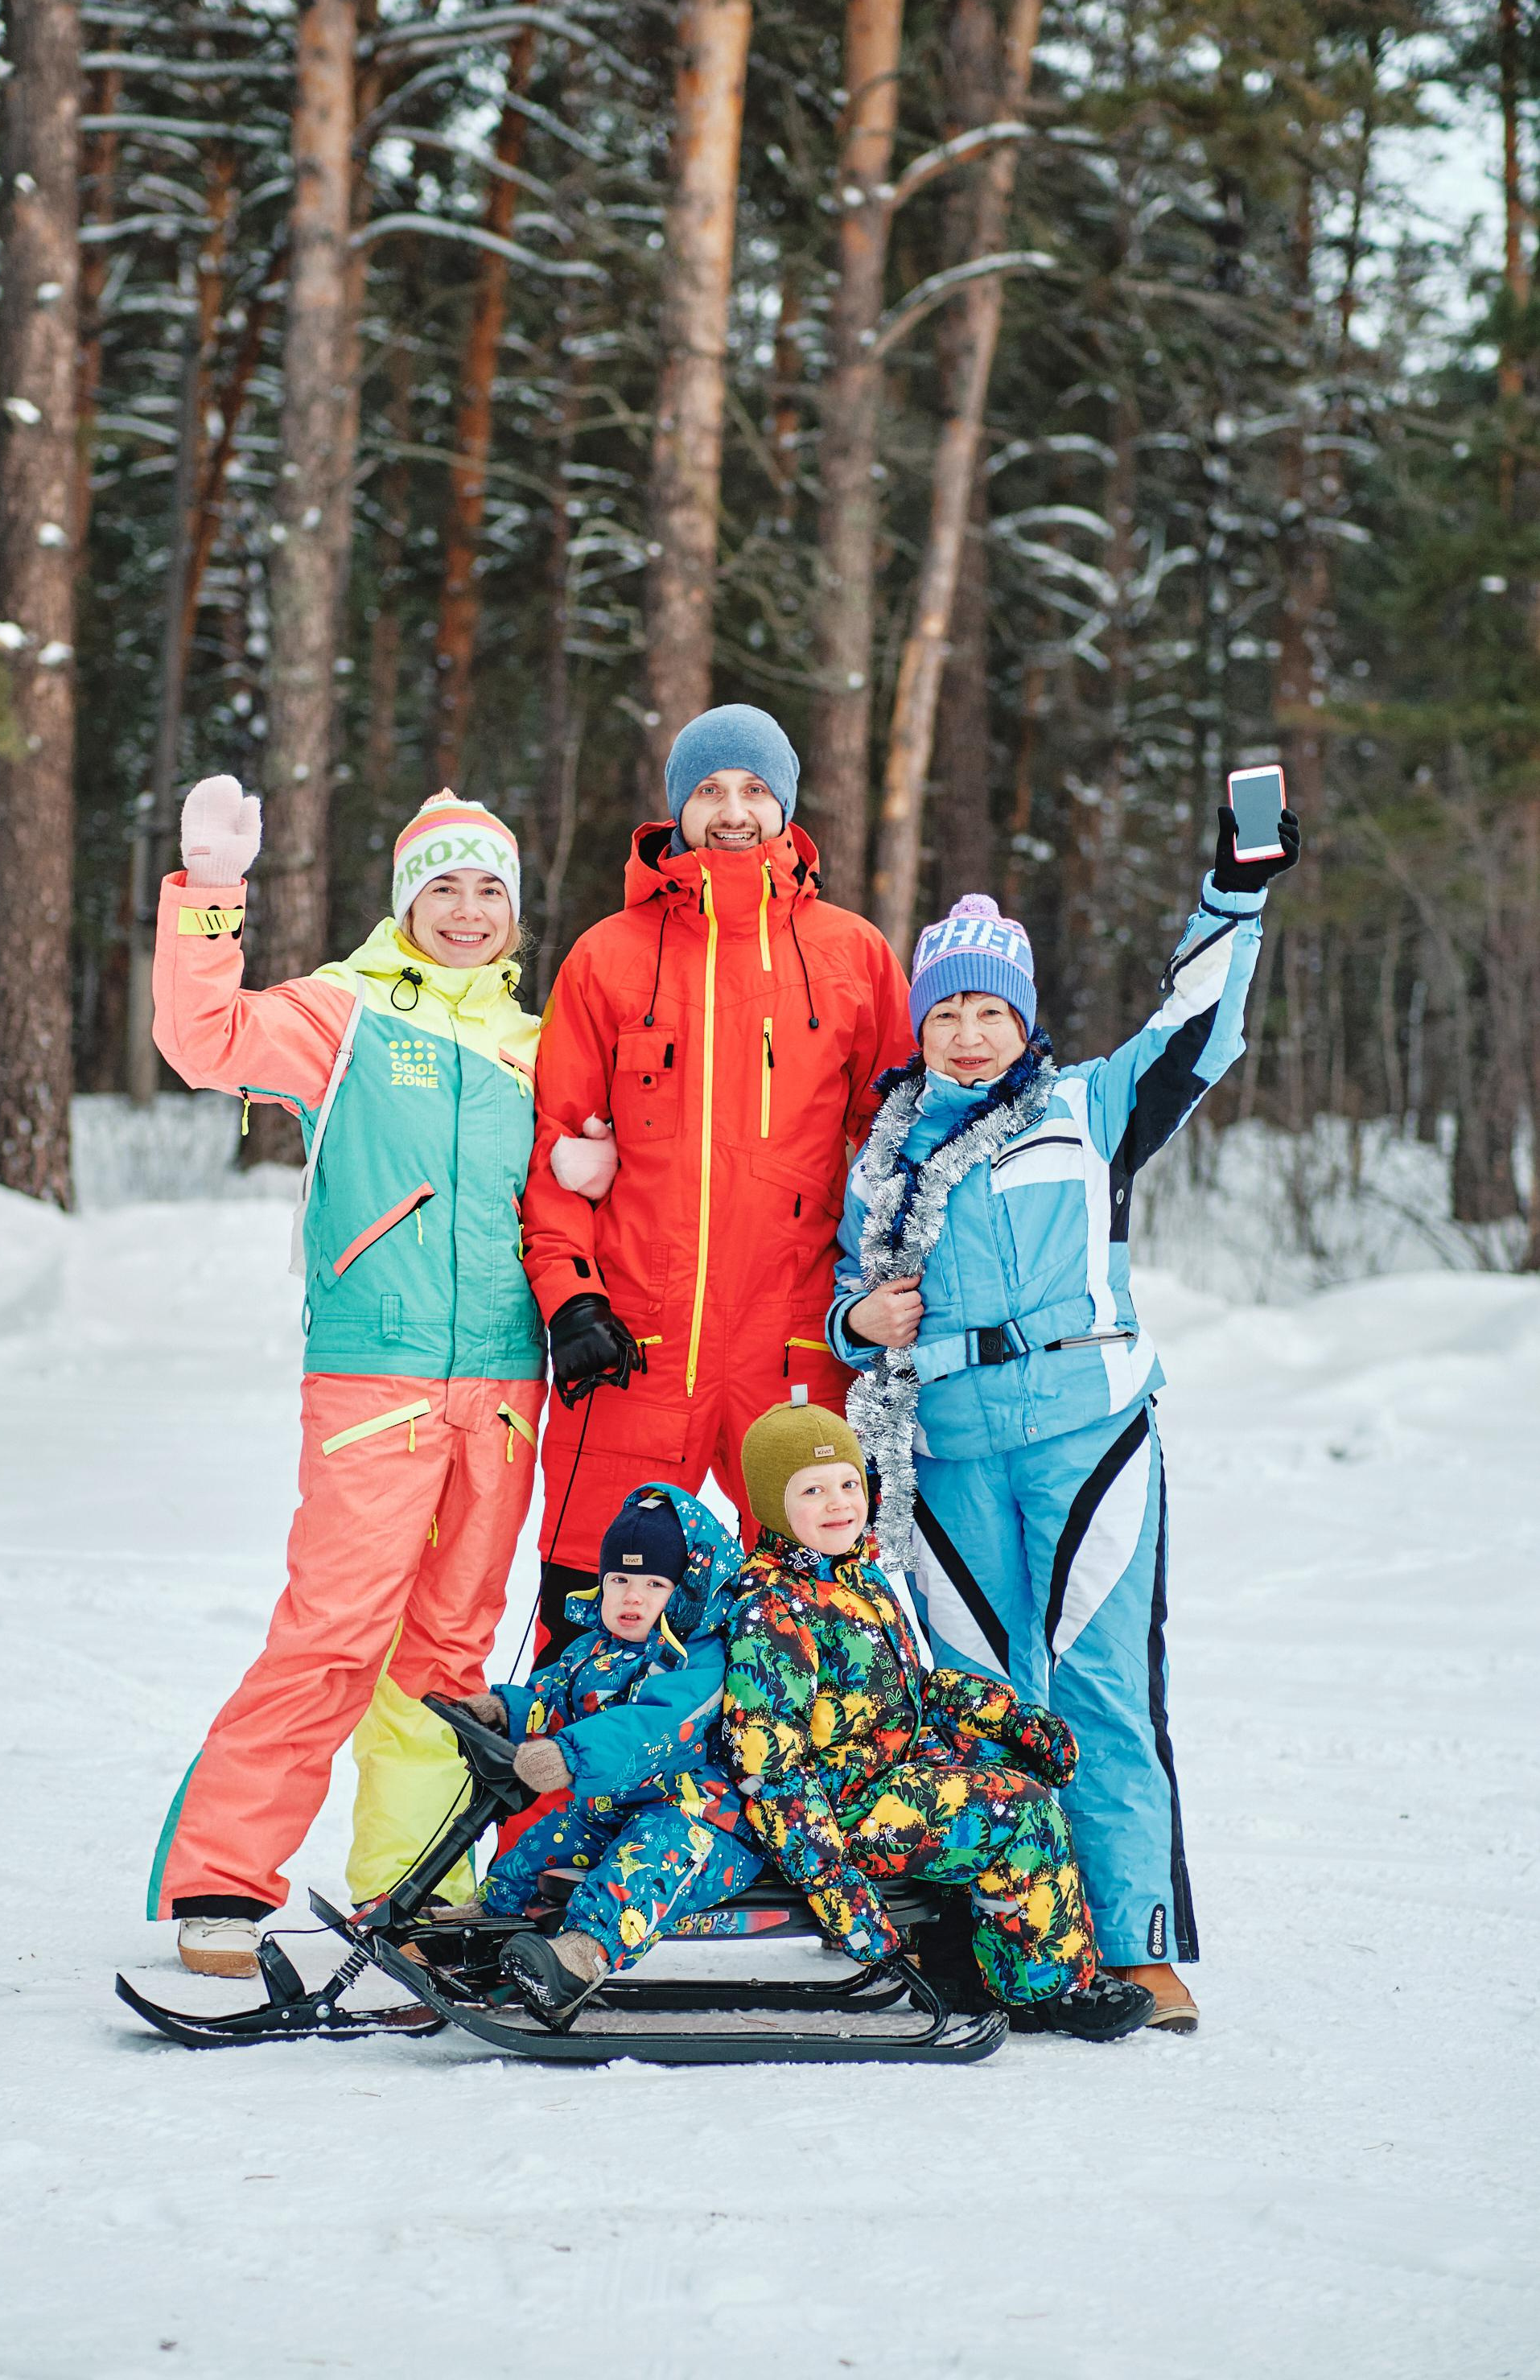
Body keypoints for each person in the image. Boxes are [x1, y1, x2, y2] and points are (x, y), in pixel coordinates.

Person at [826, 801, 1303, 2031]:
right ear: (921, 1024)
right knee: (980, 1697)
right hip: (945, 1448)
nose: (969, 1034)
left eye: (991, 1013)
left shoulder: (1087, 1108)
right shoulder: (880, 1155)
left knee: (1098, 1687)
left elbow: (1197, 1025)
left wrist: (1231, 897)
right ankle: (1015, 1938)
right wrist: (853, 1327)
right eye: (947, 1013)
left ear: (1024, 1022)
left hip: (1088, 1429)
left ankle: (1137, 1940)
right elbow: (843, 1302)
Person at [146, 779, 545, 1979]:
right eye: (443, 887)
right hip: (378, 1377)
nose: (466, 911)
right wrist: (211, 897)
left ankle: (414, 1884)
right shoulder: (348, 1011)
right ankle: (223, 1877)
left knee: (449, 1654)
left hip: (509, 1385)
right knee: (331, 1633)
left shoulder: (541, 1043)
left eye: (488, 890)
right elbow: (201, 1042)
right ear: (405, 901)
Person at [517, 702, 913, 1657]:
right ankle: (562, 1814)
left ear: (784, 808)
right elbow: (560, 1154)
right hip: (634, 1349)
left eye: (752, 790)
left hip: (796, 1349)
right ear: (676, 809)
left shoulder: (853, 955)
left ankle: (786, 1812)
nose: (732, 811)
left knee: (814, 1643)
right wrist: (571, 1301)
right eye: (708, 790)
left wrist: (883, 1304)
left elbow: (899, 1152)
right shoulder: (606, 957)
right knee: (593, 1634)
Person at [721, 1400, 1152, 2038]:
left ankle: (962, 1964)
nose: (839, 1503)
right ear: (769, 1504)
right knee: (1019, 1810)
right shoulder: (773, 1611)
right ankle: (1048, 1989)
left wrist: (1007, 1719)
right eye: (811, 1490)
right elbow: (768, 1772)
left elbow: (901, 1691)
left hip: (881, 1774)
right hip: (836, 1812)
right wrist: (842, 1898)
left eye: (847, 1483)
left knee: (997, 1763)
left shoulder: (853, 1574)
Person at [442, 1485, 764, 2024]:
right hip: (620, 1805)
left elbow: (655, 1725)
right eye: (619, 1580)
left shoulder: (700, 1658)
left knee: (643, 1860)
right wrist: (504, 1709)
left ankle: (580, 1955)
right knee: (545, 1842)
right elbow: (555, 1695)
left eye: (652, 1584)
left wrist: (569, 1752)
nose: (631, 1598)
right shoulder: (594, 1647)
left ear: (685, 1590)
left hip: (702, 1819)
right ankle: (483, 1923)